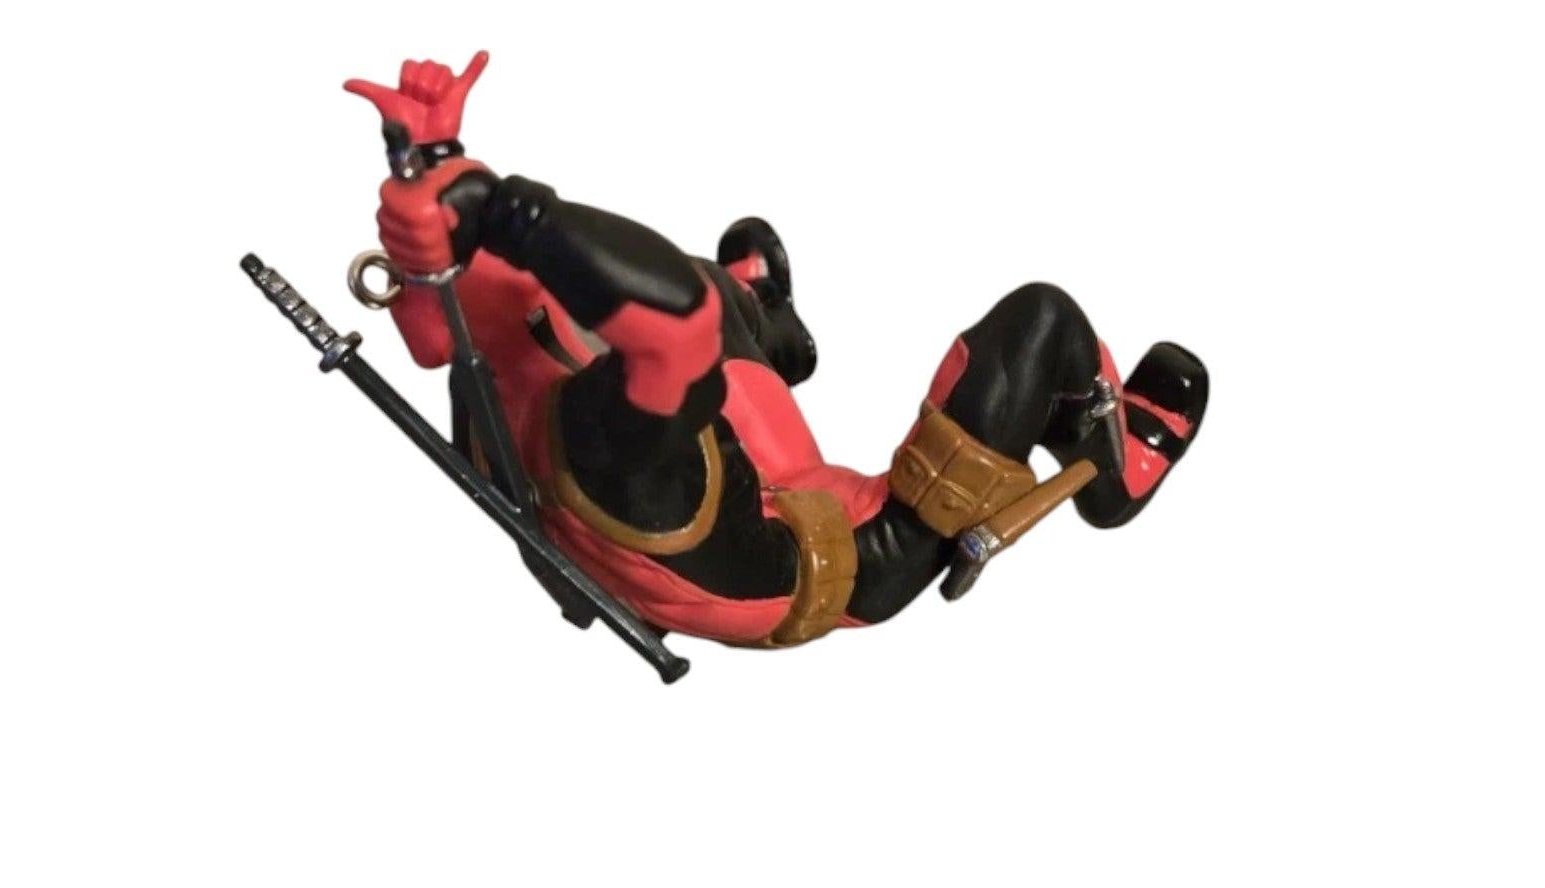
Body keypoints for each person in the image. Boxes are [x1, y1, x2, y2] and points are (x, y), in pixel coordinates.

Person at [346, 52, 1207, 648]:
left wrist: (426, 161)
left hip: (713, 489)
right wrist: (511, 212)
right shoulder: (605, 430)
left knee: (701, 289)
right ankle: (1121, 471)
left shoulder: (490, 369)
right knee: (1042, 322)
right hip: (843, 553)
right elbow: (675, 324)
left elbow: (434, 327)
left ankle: (759, 308)